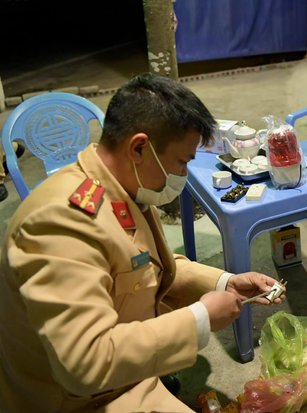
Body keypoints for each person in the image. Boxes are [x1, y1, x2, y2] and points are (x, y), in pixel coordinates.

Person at [0, 74, 284, 413]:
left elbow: (147, 268)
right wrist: (200, 319)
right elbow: (84, 363)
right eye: (182, 162)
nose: (183, 175)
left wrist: (226, 282)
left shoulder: (119, 188)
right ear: (139, 148)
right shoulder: (59, 224)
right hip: (78, 399)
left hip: (125, 376)